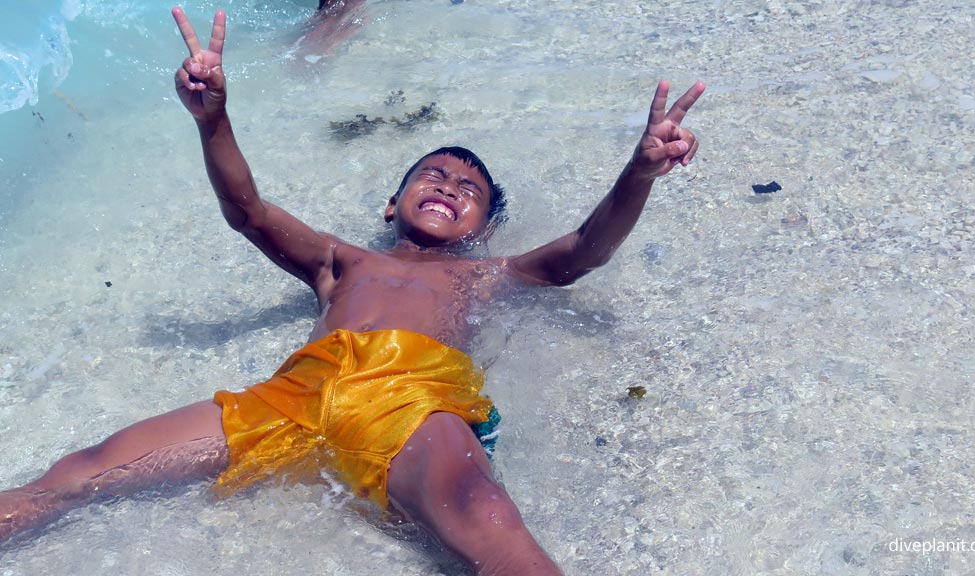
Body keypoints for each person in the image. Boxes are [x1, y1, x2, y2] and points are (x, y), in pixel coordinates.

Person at [0, 7, 704, 575]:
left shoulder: (490, 274)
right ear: (391, 206)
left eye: (469, 192)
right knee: (85, 470)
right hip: (295, 396)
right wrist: (212, 117)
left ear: (484, 228)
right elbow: (248, 210)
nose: (448, 187)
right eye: (431, 176)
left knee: (488, 520)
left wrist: (638, 173)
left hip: (412, 400)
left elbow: (583, 252)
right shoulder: (342, 262)